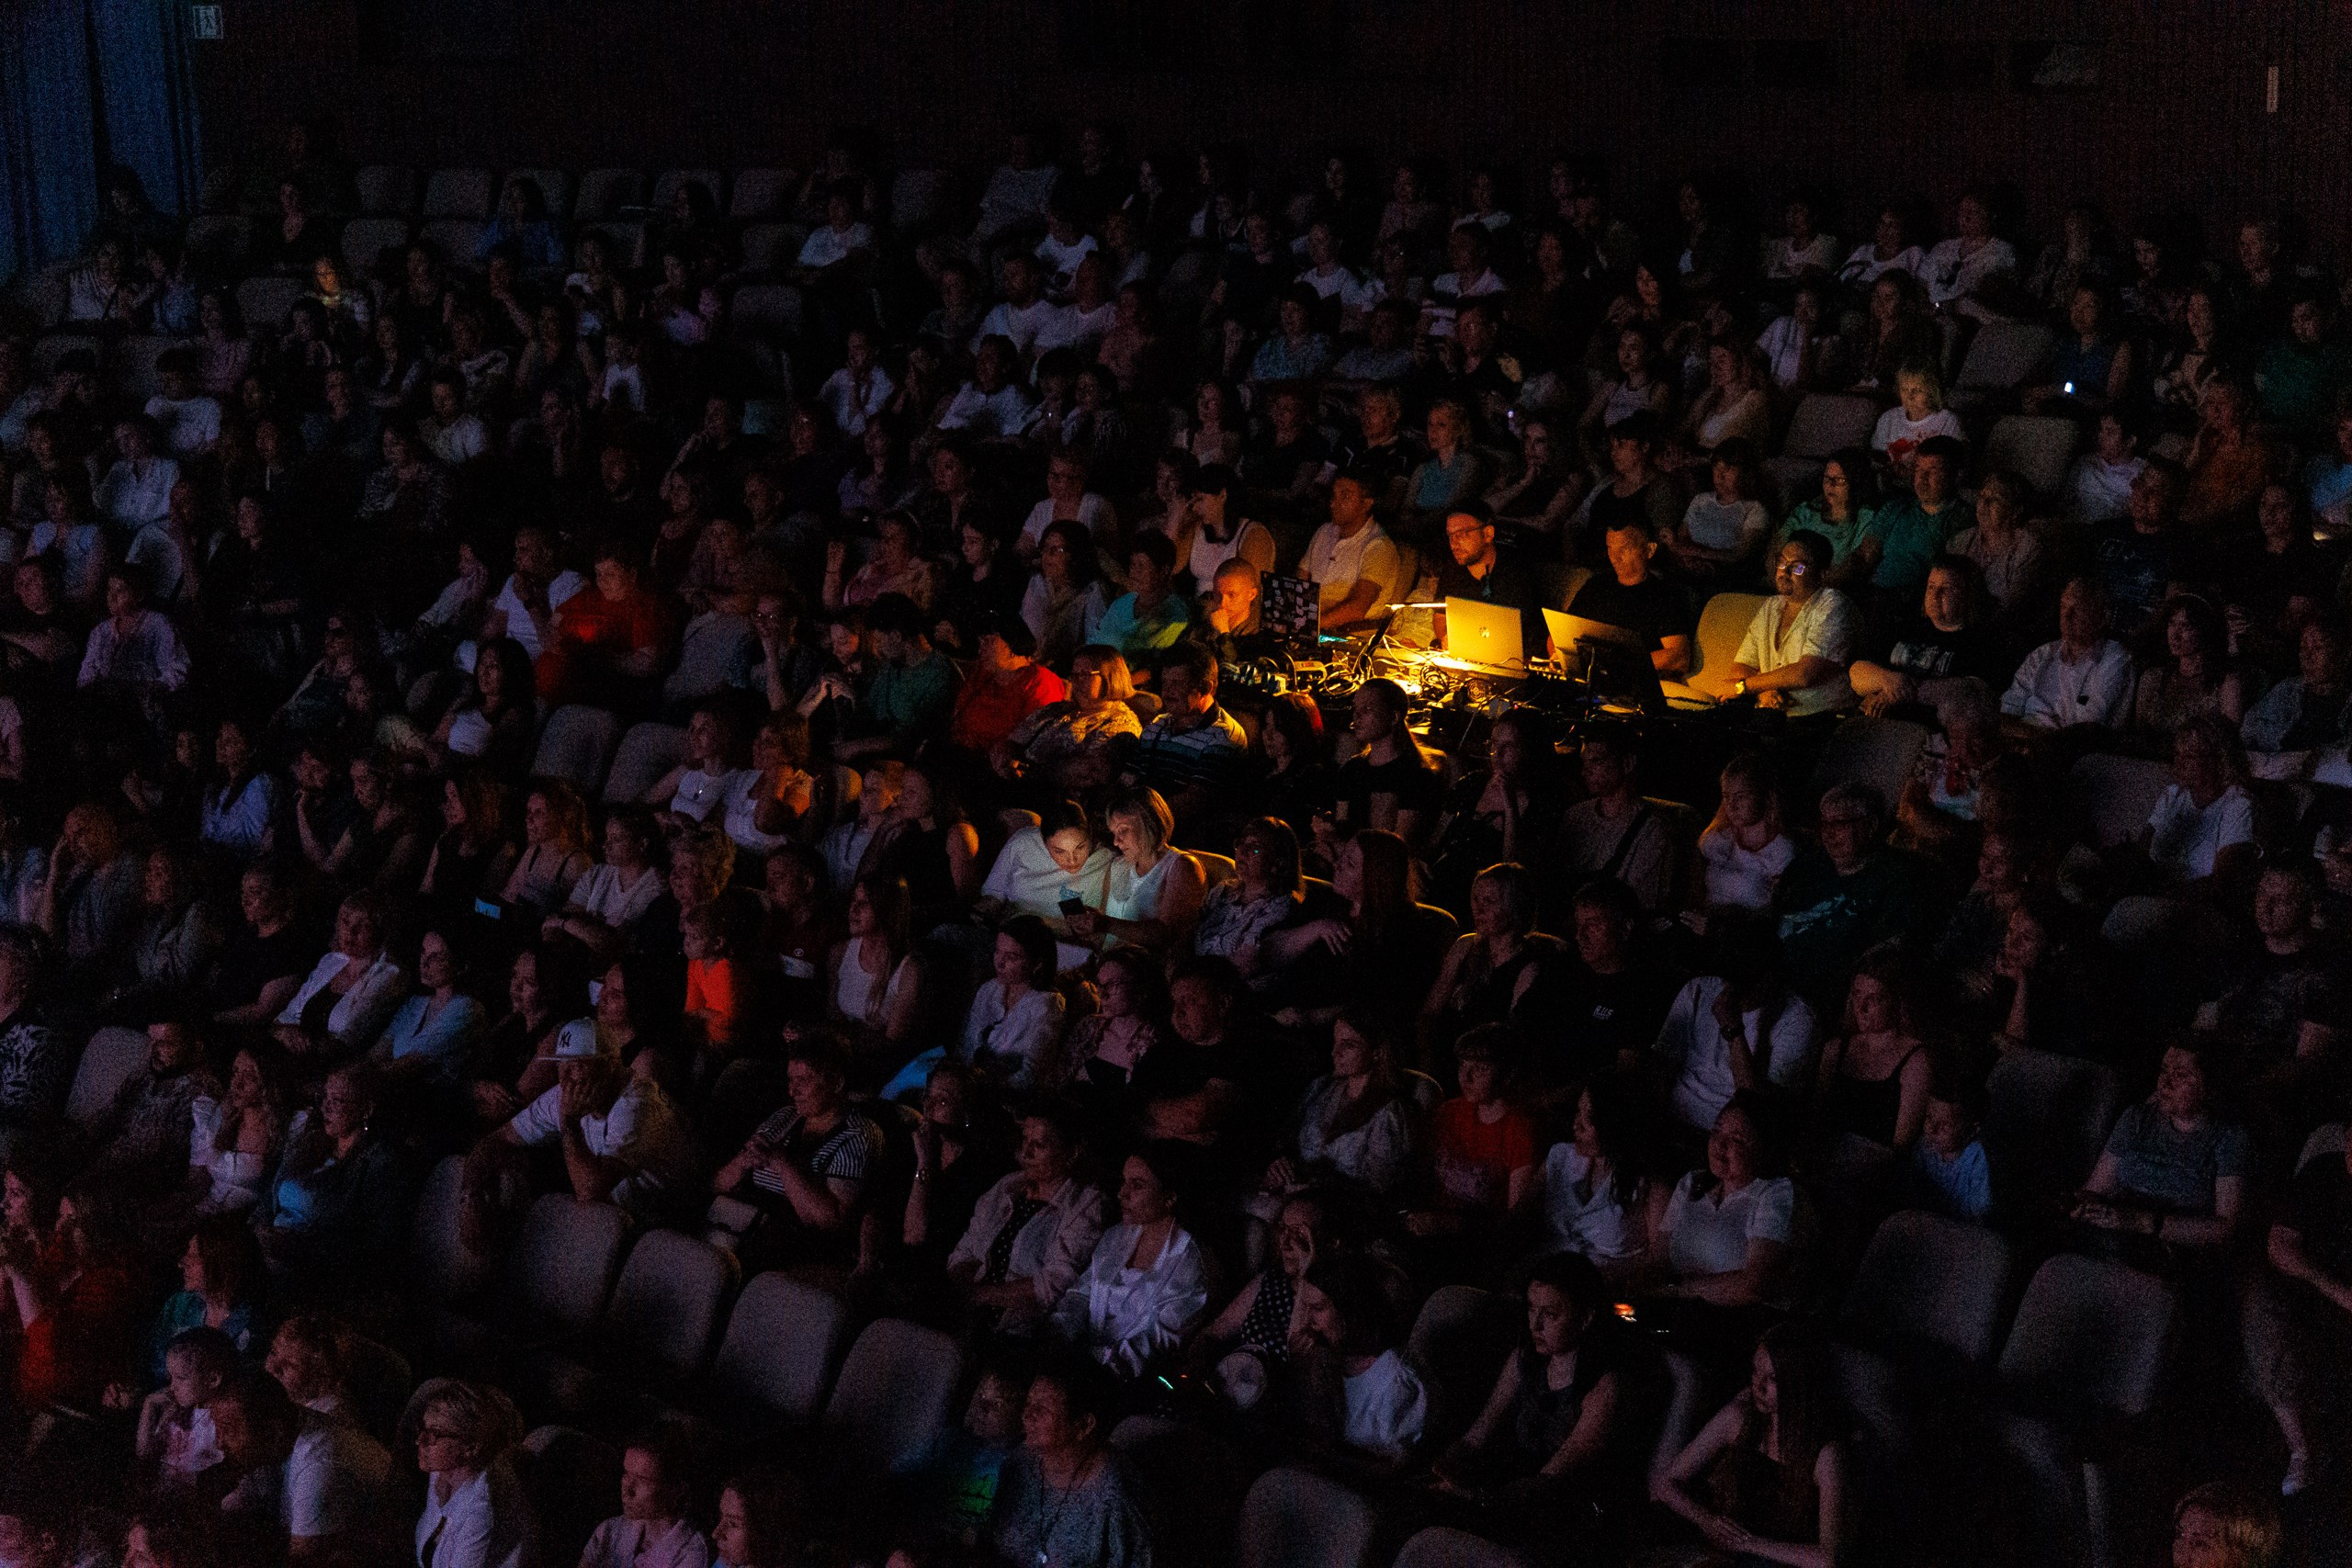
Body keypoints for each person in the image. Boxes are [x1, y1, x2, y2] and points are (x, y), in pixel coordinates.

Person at [1431, 1252, 1639, 1542]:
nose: (1535, 1325)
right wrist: (1443, 1467)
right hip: (1511, 1490)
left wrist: (1475, 1498)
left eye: (1550, 1314)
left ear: (1585, 1318)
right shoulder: (1524, 1360)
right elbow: (1479, 1433)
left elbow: (1556, 1477)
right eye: (1531, 1309)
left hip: (1566, 1515)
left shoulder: (1604, 1387)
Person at [1655, 1324, 1849, 1567]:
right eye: (1756, 1372)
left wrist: (1749, 1543)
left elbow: (1829, 1558)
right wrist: (1708, 1521)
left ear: (1798, 1381)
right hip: (1726, 1554)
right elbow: (1666, 1484)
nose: (1759, 1386)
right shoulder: (1739, 1419)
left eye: (1773, 1378)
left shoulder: (1825, 1454)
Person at [1049, 1144, 1212, 1376]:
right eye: (1124, 1182)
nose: (1122, 1193)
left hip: (1125, 1380)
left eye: (1137, 1185)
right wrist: (1059, 1332)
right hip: (1077, 1360)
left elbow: (1160, 1340)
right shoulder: (1117, 1236)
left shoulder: (1189, 1263)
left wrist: (1094, 1360)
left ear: (1169, 1198)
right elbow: (1081, 1294)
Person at [2072, 1042, 2248, 1254]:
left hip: (2177, 1251)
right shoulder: (2136, 1119)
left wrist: (2142, 1222)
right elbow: (2095, 1189)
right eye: (2164, 1070)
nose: (2165, 1083)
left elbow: (2225, 1228)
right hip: (2116, 1238)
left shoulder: (2228, 1136)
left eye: (2180, 1075)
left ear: (2208, 1087)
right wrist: (2080, 1206)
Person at [989, 1352, 1155, 1568]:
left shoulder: (1115, 1494)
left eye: (1042, 1409)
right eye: (1028, 1403)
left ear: (1084, 1425)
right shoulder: (1019, 1463)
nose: (1027, 1415)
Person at [946, 1103, 1106, 1326]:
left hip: (1018, 1329)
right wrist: (957, 1292)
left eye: (1039, 1145)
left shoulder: (1083, 1205)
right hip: (966, 1314)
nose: (1026, 1153)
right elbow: (967, 1249)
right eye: (1025, 1141)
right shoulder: (1008, 1187)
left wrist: (979, 1295)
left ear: (1071, 1153)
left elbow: (1054, 1283)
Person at [1700, 531, 1860, 716]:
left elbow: (1805, 674)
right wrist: (1764, 691)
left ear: (1821, 574)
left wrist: (1744, 687)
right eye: (1782, 563)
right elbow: (1742, 667)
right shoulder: (1771, 606)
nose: (1784, 572)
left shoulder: (1831, 605)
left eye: (1797, 567)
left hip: (1821, 716)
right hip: (1772, 715)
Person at [410, 1379, 537, 1568]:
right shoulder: (440, 1472)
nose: (420, 1440)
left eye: (434, 1434)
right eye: (422, 1429)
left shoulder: (479, 1509)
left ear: (471, 1446)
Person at [2000, 576, 2135, 732]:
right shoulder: (2042, 655)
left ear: (2102, 617)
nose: (2067, 616)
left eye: (2077, 610)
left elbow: (2089, 723)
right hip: (2025, 739)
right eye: (2063, 607)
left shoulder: (2113, 658)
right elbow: (2009, 707)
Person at [1567, 516, 1694, 676]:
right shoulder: (1596, 586)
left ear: (1649, 550)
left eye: (1624, 549)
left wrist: (1623, 665)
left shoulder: (1663, 595)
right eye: (1610, 548)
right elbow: (1560, 632)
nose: (1615, 557)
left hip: (1635, 682)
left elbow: (1679, 657)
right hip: (1587, 676)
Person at [579, 1427, 712, 1568]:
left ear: (676, 1489)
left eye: (642, 1480)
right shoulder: (609, 1531)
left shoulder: (689, 1555)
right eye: (626, 1474)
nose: (627, 1489)